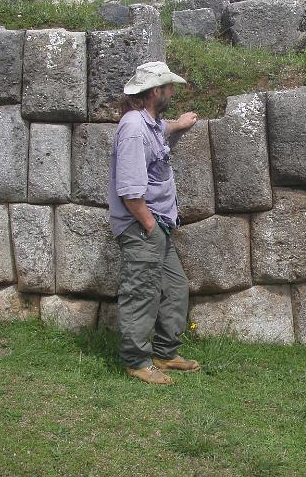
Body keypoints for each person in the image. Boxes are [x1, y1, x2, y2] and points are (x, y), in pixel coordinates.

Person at [108, 61, 200, 385]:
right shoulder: (133, 128)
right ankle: (136, 360)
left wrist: (178, 124)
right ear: (155, 92)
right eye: (169, 87)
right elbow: (131, 191)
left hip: (157, 223)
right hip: (142, 224)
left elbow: (161, 131)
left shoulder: (151, 123)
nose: (173, 92)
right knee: (142, 292)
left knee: (175, 288)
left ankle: (165, 352)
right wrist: (148, 224)